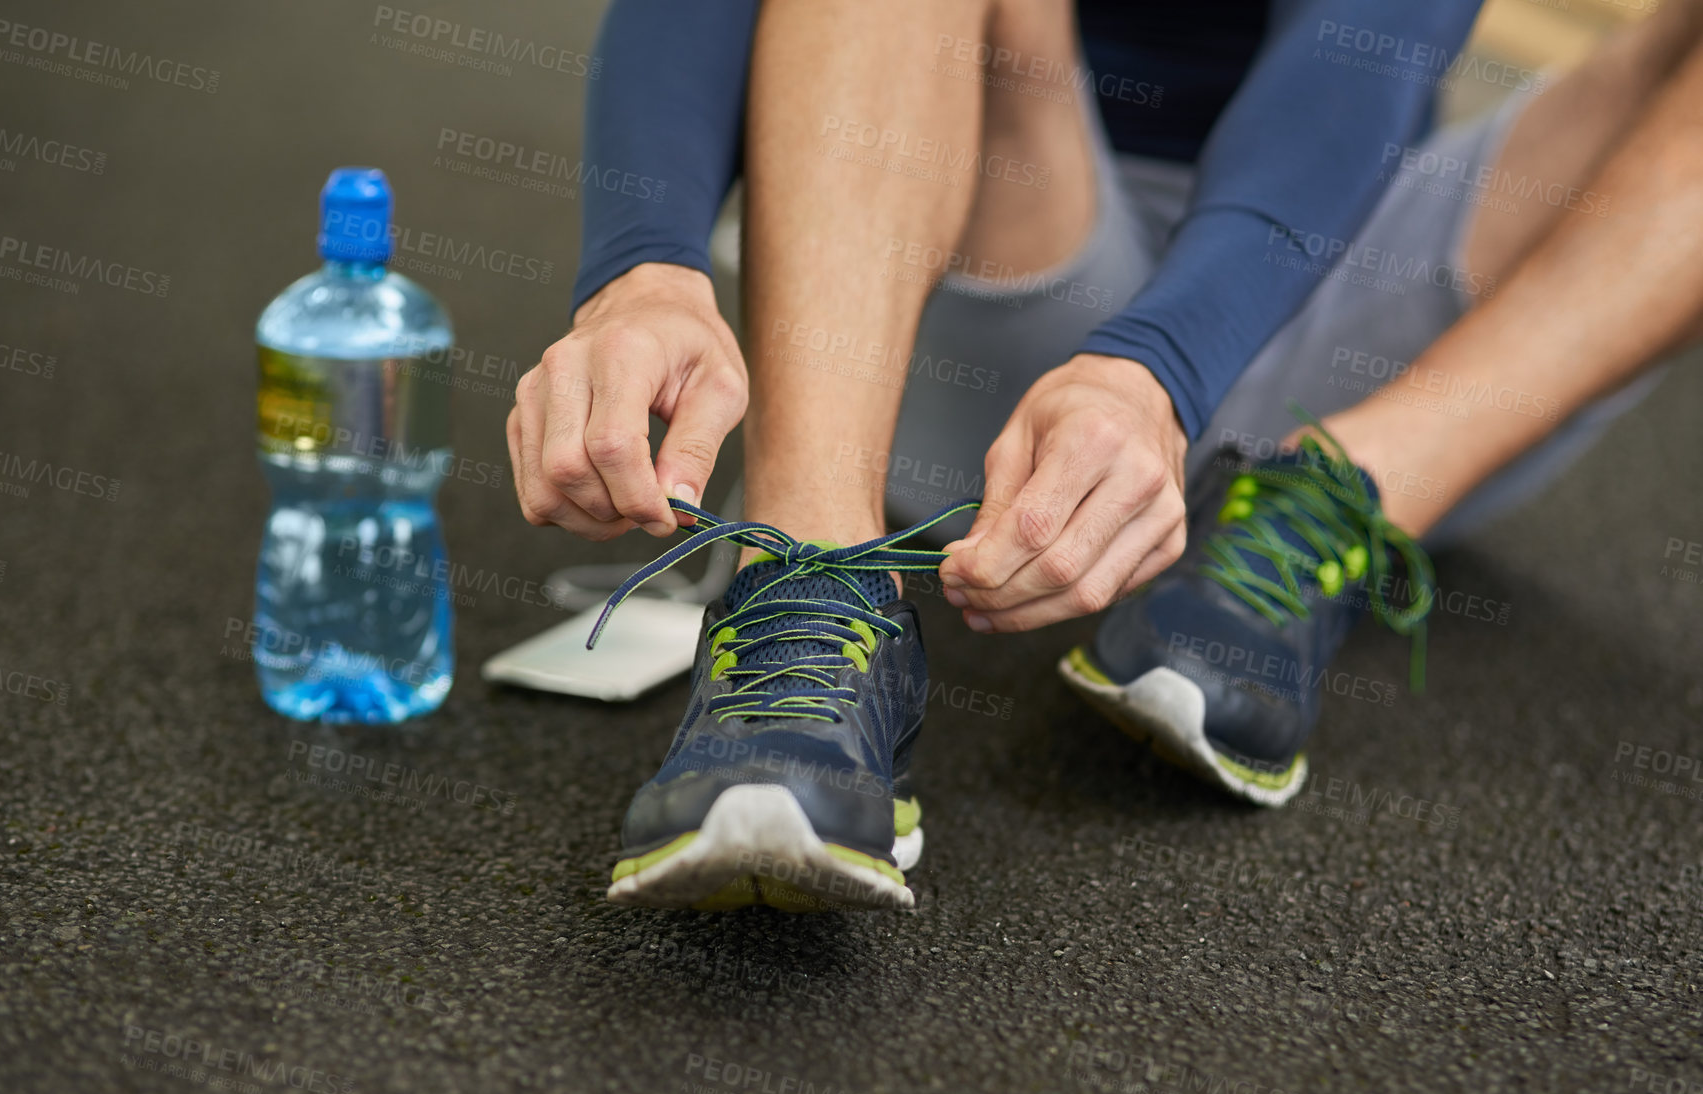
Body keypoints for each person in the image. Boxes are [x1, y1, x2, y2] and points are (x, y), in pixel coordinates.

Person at [507, 0, 1703, 910]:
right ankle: (812, 567)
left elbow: (1364, 44)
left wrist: (1159, 367)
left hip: (1325, 262)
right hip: (982, 244)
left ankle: (1335, 494)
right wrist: (644, 266)